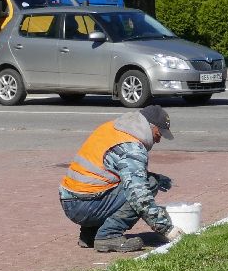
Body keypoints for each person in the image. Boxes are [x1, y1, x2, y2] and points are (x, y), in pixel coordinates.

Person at [59, 104, 180, 253]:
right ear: (151, 126)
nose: (158, 140)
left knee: (140, 181)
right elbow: (139, 195)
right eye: (159, 134)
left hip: (71, 200)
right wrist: (166, 229)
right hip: (85, 205)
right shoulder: (132, 146)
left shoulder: (114, 128)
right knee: (148, 185)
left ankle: (90, 234)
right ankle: (108, 236)